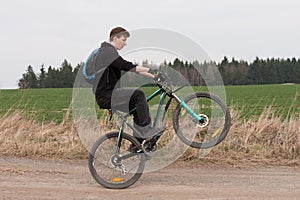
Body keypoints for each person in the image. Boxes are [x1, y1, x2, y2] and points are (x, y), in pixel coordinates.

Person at [93, 27, 161, 142]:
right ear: (115, 38)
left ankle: (137, 143)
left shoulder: (109, 52)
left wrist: (154, 77)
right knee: (138, 94)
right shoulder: (107, 52)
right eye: (123, 40)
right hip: (106, 96)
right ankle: (146, 130)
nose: (125, 43)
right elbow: (127, 66)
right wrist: (152, 70)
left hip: (109, 94)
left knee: (138, 107)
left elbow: (131, 68)